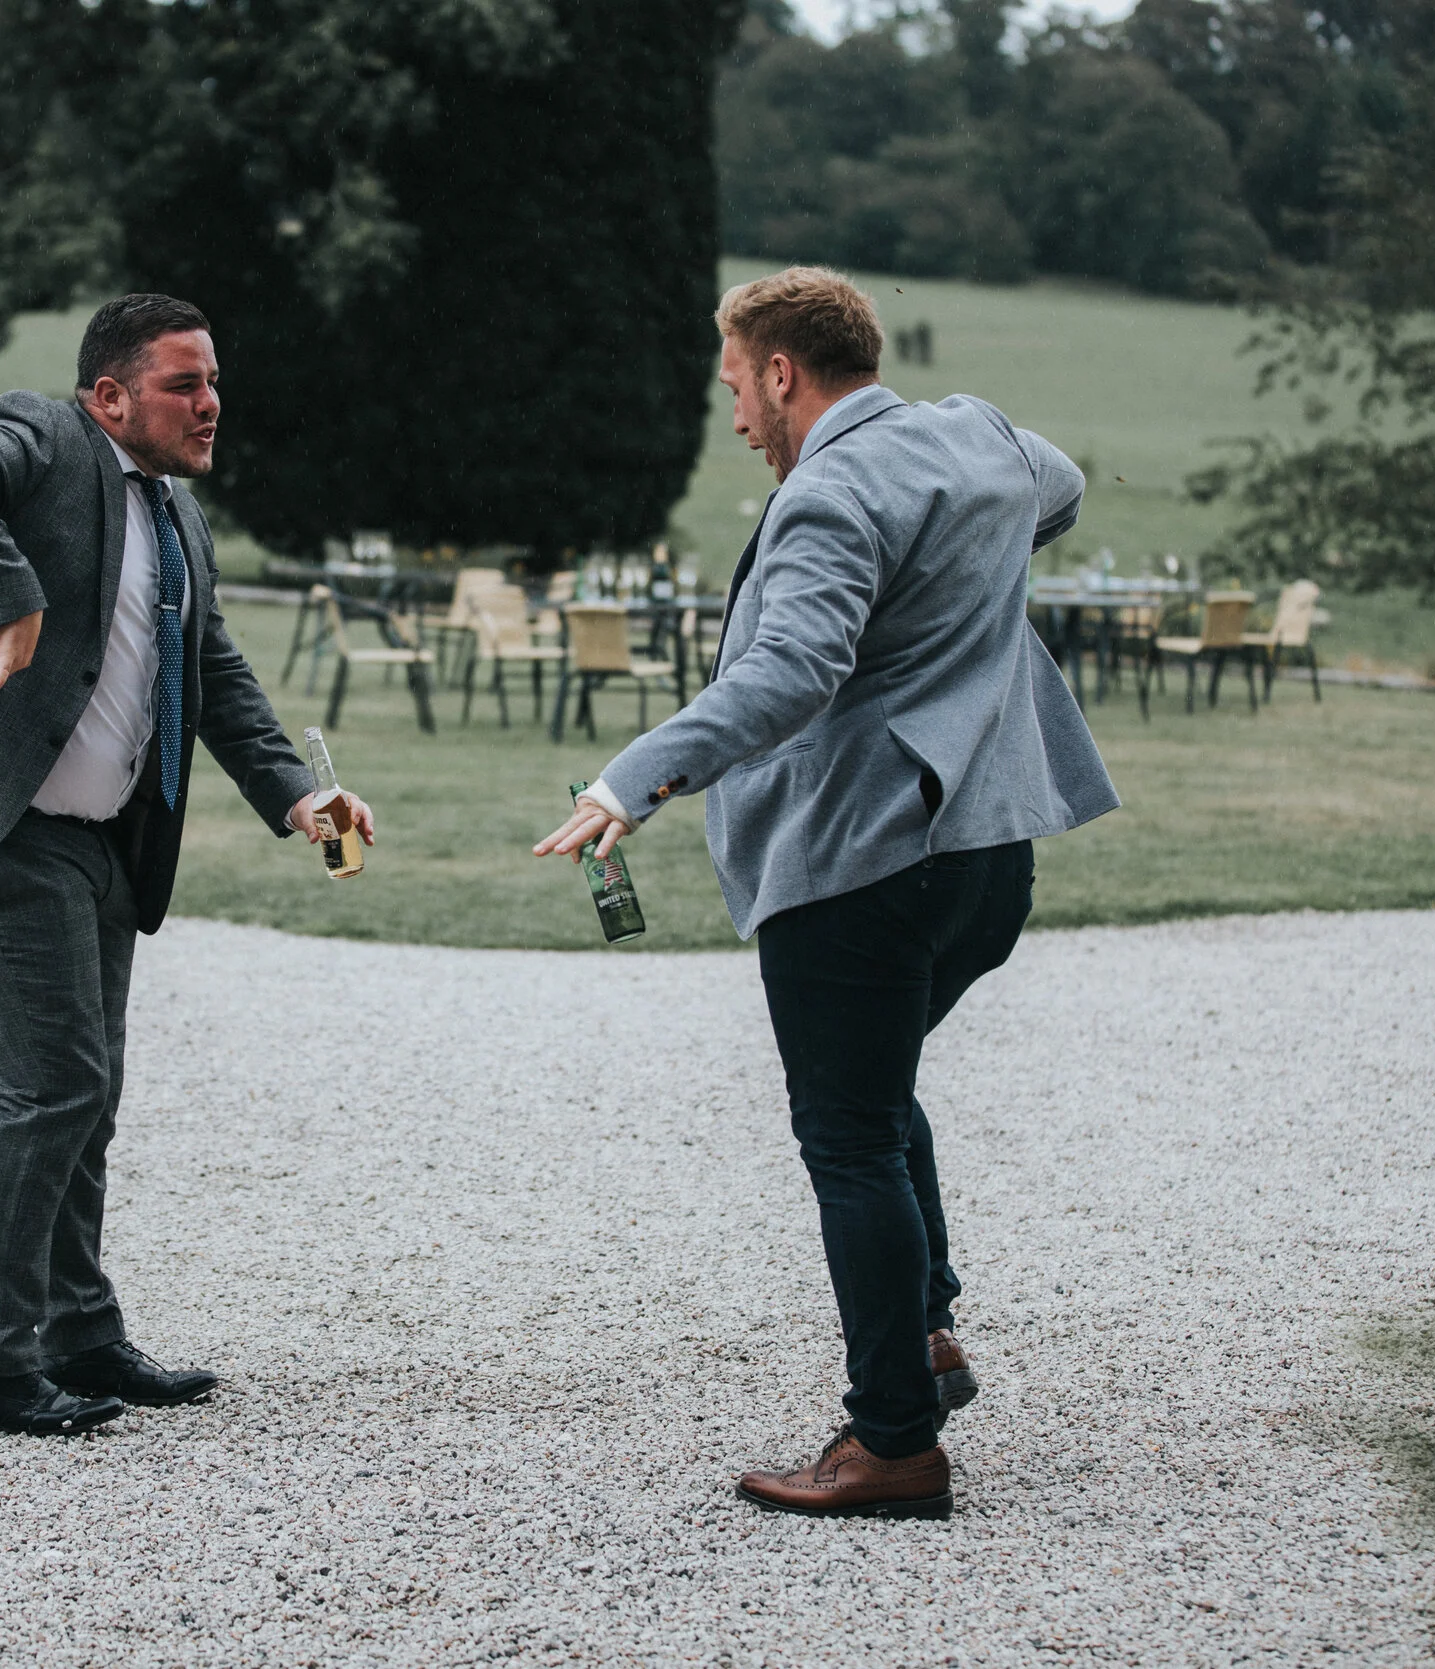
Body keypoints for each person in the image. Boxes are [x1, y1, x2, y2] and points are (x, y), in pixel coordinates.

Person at [536, 266, 1117, 1518]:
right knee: (879, 1088)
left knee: (847, 1136)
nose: (737, 415)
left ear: (784, 373)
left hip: (865, 862)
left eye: (737, 387)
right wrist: (962, 555)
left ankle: (894, 1443)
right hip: (986, 856)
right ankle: (927, 1338)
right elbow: (1055, 487)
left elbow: (791, 671)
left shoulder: (828, 493)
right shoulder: (971, 438)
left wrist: (633, 775)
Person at [0, 294, 377, 1436]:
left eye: (213, 379)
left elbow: (215, 676)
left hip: (97, 847)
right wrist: (13, 598)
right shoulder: (40, 438)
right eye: (183, 383)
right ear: (108, 395)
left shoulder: (177, 518)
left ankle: (77, 1333)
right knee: (51, 1086)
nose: (210, 401)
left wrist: (297, 794)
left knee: (88, 1092)